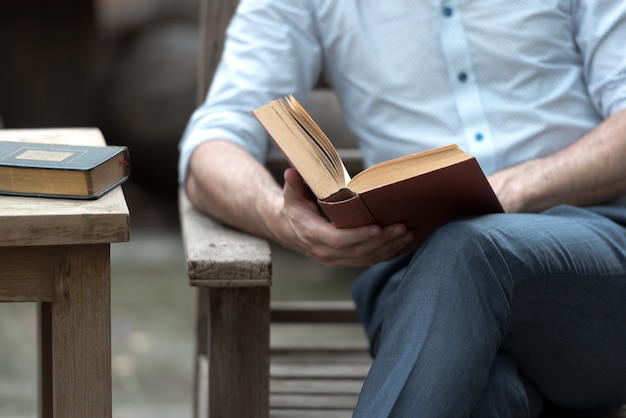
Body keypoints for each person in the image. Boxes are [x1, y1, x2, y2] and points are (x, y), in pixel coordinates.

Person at [179, 1, 626, 416]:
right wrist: (279, 219)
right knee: (486, 396)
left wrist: (516, 188)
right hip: (418, 277)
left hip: (596, 259)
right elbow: (211, 148)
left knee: (469, 247)